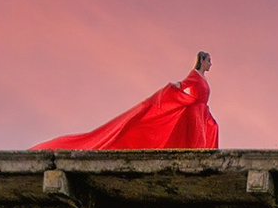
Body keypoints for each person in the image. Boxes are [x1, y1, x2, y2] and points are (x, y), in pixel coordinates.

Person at [34, 53, 218, 151]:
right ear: (202, 60)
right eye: (209, 61)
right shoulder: (195, 76)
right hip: (193, 112)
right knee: (195, 140)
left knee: (207, 132)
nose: (210, 64)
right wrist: (166, 92)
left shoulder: (202, 78)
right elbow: (182, 84)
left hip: (201, 113)